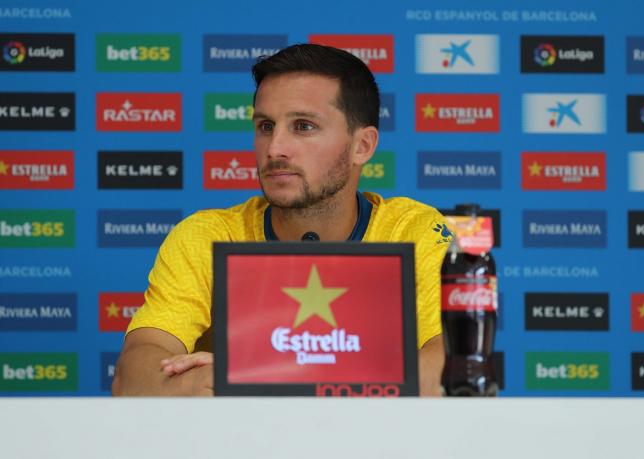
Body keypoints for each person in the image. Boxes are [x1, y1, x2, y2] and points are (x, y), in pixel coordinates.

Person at [112, 44, 452, 397]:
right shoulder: (204, 236)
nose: (275, 148)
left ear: (362, 146)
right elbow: (132, 376)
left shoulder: (416, 232)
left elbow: (450, 368)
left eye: (303, 126)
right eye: (265, 126)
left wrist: (255, 376)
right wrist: (195, 382)